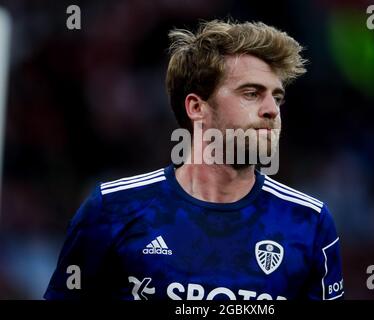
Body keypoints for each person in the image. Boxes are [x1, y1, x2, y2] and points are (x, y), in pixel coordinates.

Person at [44, 19, 344, 300]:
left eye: (276, 98)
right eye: (251, 93)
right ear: (196, 107)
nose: (271, 110)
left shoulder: (309, 222)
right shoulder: (112, 210)